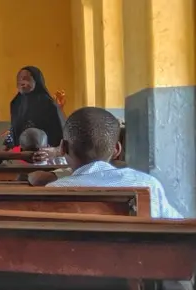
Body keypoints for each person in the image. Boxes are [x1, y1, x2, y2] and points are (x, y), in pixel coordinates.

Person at [46, 107, 182, 219]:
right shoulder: (148, 184)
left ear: (63, 148)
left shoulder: (53, 191)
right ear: (117, 150)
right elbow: (177, 228)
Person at [10, 66, 65, 147]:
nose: (21, 82)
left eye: (26, 79)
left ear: (36, 80)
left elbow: (58, 136)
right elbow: (15, 134)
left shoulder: (48, 104)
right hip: (21, 155)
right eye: (19, 79)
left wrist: (49, 153)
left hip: (46, 154)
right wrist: (16, 155)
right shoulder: (15, 104)